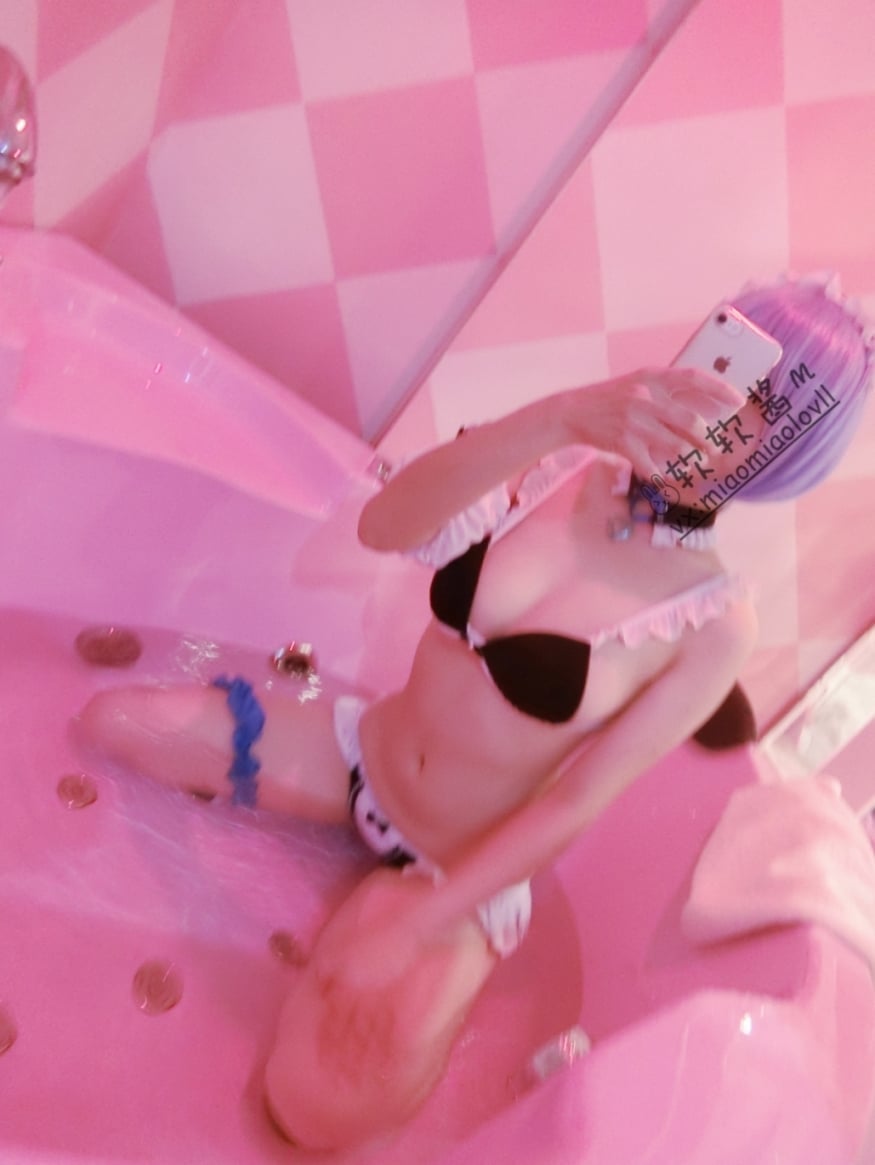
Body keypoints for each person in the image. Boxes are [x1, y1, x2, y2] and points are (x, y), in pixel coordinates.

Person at [77, 273, 873, 1150]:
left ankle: (386, 932)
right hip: (361, 754)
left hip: (456, 870)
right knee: (116, 725)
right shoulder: (560, 464)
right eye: (727, 361)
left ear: (790, 454)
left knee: (310, 1111)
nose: (717, 410)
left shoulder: (712, 622)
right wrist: (561, 416)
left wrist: (418, 922)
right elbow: (383, 526)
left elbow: (573, 803)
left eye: (762, 407)